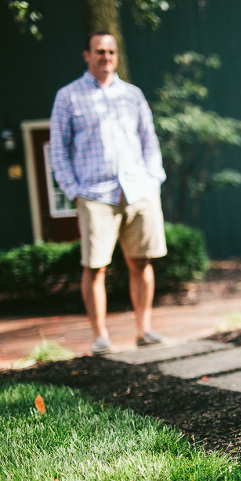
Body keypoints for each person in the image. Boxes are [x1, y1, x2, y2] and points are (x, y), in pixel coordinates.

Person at [50, 31, 168, 355]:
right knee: (95, 267)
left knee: (141, 262)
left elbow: (149, 140)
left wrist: (153, 179)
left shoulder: (132, 95)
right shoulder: (68, 97)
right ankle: (100, 337)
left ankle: (144, 330)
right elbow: (58, 150)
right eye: (99, 51)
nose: (106, 57)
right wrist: (74, 190)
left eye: (111, 51)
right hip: (95, 195)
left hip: (138, 191)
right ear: (87, 55)